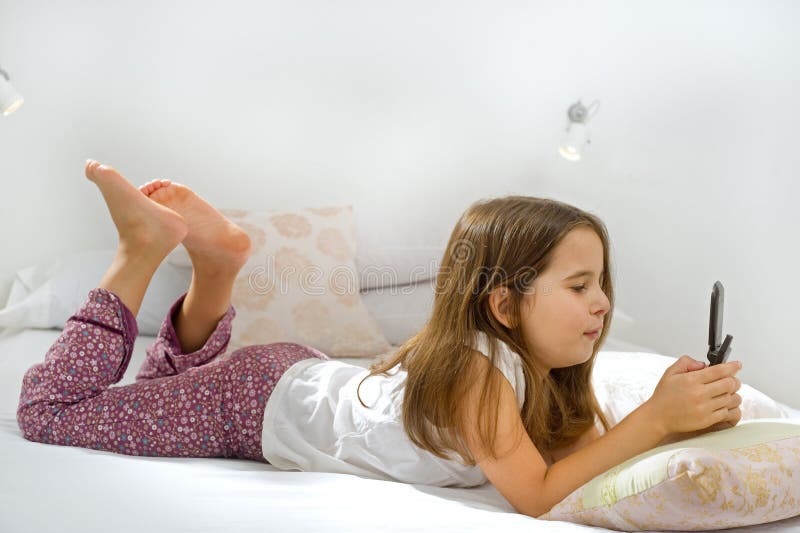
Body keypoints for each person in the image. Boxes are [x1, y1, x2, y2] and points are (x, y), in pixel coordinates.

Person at [17, 161, 743, 518]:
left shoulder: (527, 371)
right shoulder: (474, 375)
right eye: (579, 285)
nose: (603, 303)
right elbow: (536, 496)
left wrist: (672, 414)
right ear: (503, 304)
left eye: (601, 283)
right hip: (254, 402)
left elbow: (576, 458)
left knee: (149, 399)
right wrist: (656, 418)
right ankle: (139, 252)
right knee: (50, 412)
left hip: (292, 378)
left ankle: (218, 266)